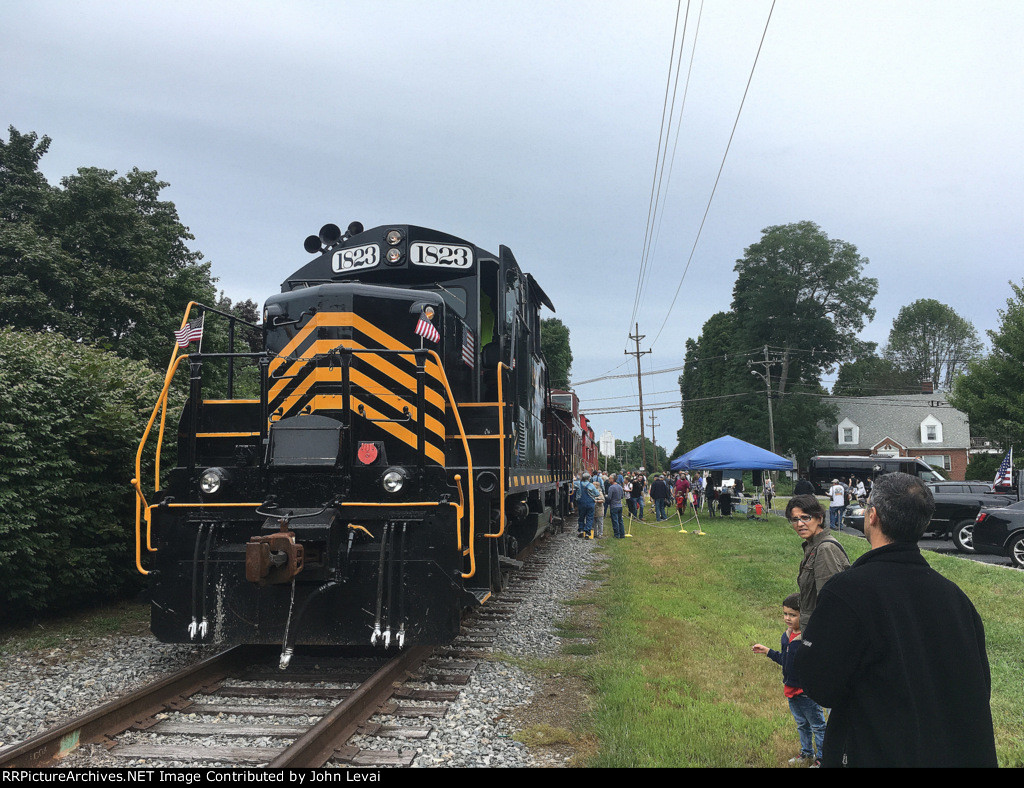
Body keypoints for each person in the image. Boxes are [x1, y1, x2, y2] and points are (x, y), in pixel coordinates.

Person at [793, 473, 997, 767]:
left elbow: (820, 684)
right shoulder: (956, 598)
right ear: (923, 523)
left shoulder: (847, 592)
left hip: (875, 750)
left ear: (872, 516)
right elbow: (979, 688)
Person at [752, 593, 826, 767]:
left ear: (804, 615)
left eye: (793, 615)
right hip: (790, 690)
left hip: (806, 693)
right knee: (801, 724)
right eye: (785, 614)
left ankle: (822, 758)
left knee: (817, 726)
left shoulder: (807, 640)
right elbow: (785, 661)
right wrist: (768, 651)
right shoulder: (786, 636)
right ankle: (806, 753)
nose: (787, 618)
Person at [786, 493, 850, 629]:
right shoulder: (812, 546)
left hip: (821, 631)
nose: (799, 524)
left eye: (805, 518)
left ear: (819, 518)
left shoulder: (825, 549)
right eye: (795, 519)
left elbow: (830, 603)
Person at [576, 473, 598, 538]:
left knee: (581, 517)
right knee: (589, 517)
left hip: (581, 503)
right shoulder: (591, 485)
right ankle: (587, 533)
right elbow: (597, 494)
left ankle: (581, 530)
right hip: (590, 503)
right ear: (589, 478)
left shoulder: (578, 484)